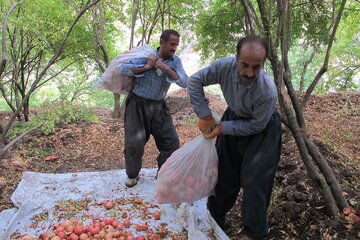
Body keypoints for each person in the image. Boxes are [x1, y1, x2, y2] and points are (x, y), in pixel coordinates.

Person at [187, 35, 281, 240]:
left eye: (256, 67)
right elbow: (194, 81)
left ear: (263, 64)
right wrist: (204, 114)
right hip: (233, 117)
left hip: (262, 130)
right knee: (224, 174)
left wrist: (221, 128)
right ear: (236, 57)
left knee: (255, 183)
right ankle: (216, 220)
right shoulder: (223, 67)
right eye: (244, 65)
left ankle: (253, 234)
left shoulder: (267, 91)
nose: (249, 73)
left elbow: (256, 125)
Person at [119, 29, 188, 188]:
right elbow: (123, 69)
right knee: (133, 144)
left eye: (176, 45)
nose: (174, 48)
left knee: (171, 142)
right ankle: (132, 174)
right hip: (137, 104)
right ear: (162, 42)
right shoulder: (146, 55)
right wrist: (147, 66)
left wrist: (164, 67)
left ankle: (163, 173)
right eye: (171, 44)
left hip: (159, 106)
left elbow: (184, 82)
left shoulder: (175, 61)